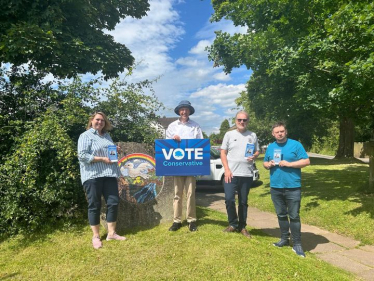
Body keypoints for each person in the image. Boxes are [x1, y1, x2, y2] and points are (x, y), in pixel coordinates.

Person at [78, 112, 126, 249]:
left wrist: (114, 150)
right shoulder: (85, 136)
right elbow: (82, 155)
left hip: (109, 174)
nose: (100, 122)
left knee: (113, 202)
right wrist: (101, 159)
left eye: (103, 120)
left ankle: (111, 233)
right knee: (94, 204)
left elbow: (108, 153)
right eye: (97, 119)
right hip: (92, 175)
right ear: (92, 120)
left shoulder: (107, 136)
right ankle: (96, 236)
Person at [263, 121, 310, 257]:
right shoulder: (271, 147)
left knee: (294, 216)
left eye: (282, 131)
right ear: (273, 134)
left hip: (292, 187)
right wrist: (268, 164)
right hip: (276, 187)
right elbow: (265, 162)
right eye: (277, 132)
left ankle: (297, 244)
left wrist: (289, 164)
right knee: (281, 214)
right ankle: (284, 239)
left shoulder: (296, 144)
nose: (279, 134)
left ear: (286, 132)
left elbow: (306, 161)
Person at [220, 111, 260, 238]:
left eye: (244, 120)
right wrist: (226, 169)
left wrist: (255, 155)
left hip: (246, 174)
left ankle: (242, 226)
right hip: (230, 174)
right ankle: (233, 224)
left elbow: (257, 151)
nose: (242, 122)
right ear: (235, 120)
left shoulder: (252, 135)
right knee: (229, 199)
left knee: (243, 201)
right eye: (239, 120)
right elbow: (222, 152)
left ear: (248, 121)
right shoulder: (229, 134)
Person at [166, 100, 203, 232]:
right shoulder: (171, 126)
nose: (184, 111)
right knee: (177, 194)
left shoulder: (196, 126)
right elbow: (167, 144)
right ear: (178, 111)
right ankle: (176, 220)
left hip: (191, 165)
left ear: (189, 111)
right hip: (177, 165)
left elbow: (200, 145)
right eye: (182, 109)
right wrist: (172, 139)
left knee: (191, 193)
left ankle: (191, 220)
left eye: (186, 109)